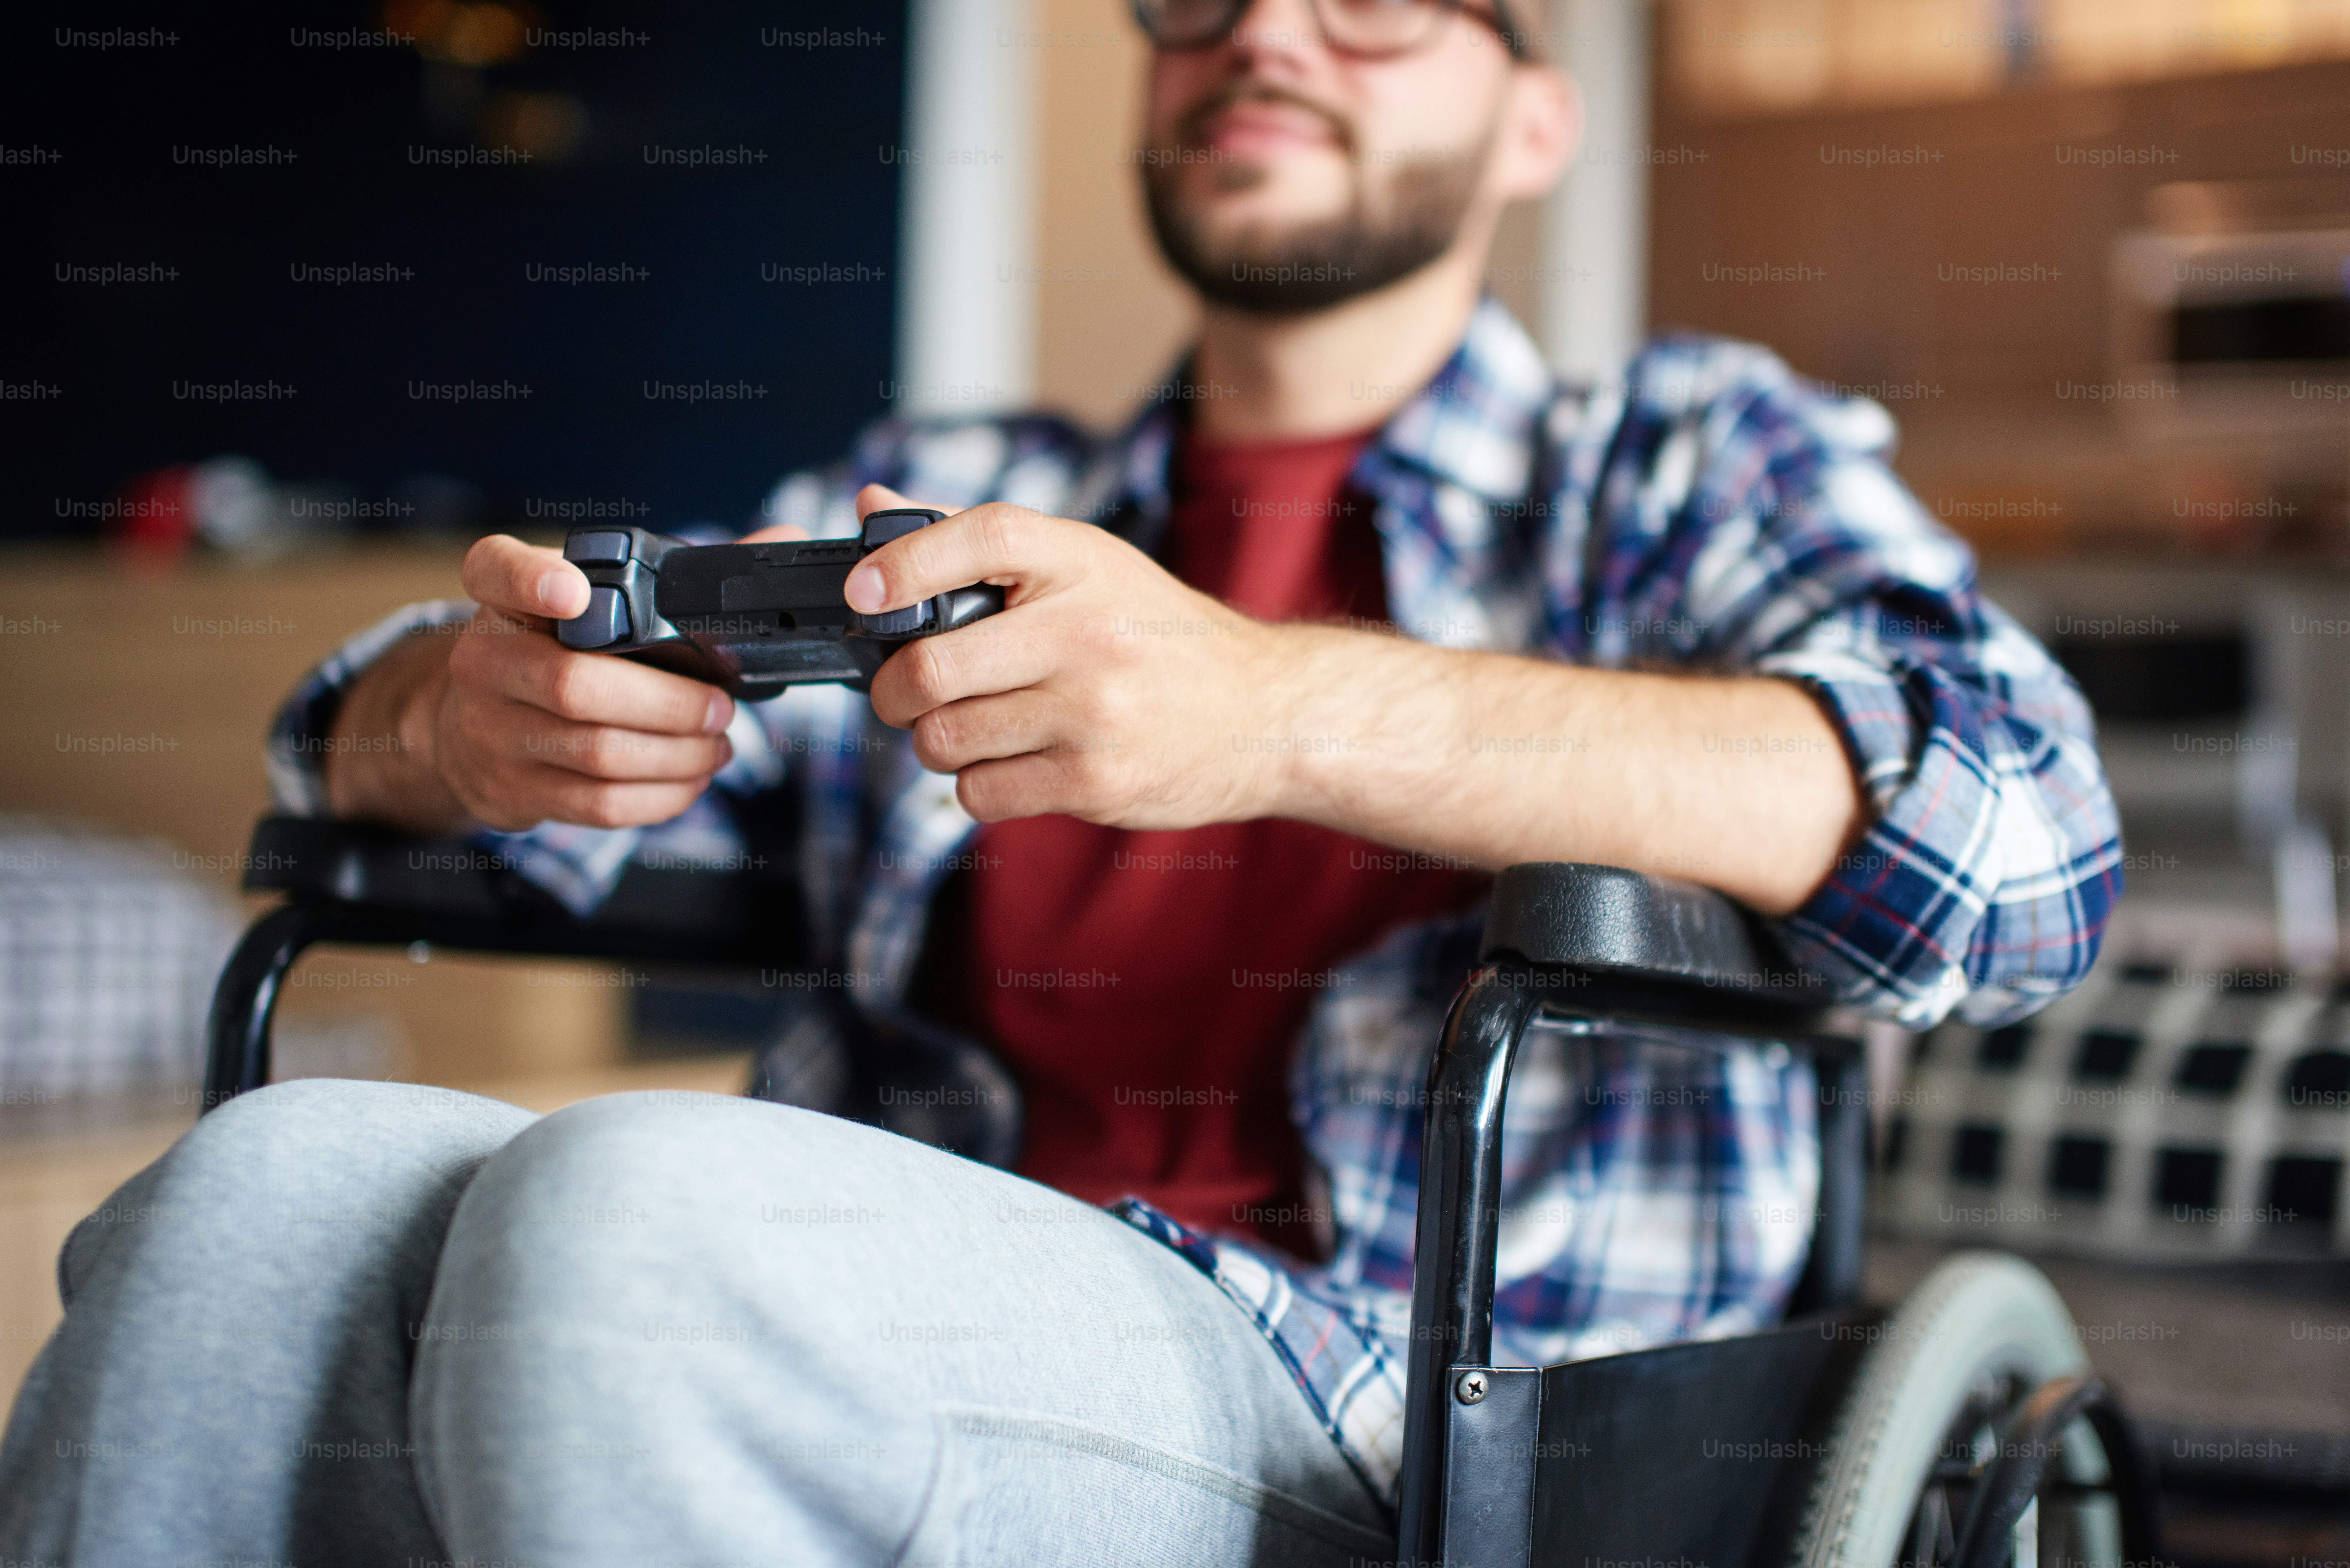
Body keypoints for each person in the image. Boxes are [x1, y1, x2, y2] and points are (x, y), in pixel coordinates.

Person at [0, 0, 2120, 1562]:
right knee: (246, 1208)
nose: (1269, 34)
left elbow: (2025, 837)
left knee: (633, 1219)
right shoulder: (953, 492)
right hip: (886, 1281)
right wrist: (445, 727)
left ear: (1540, 114)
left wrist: (1277, 707)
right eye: (1196, 3)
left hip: (1412, 1420)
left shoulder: (1678, 465)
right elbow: (451, 770)